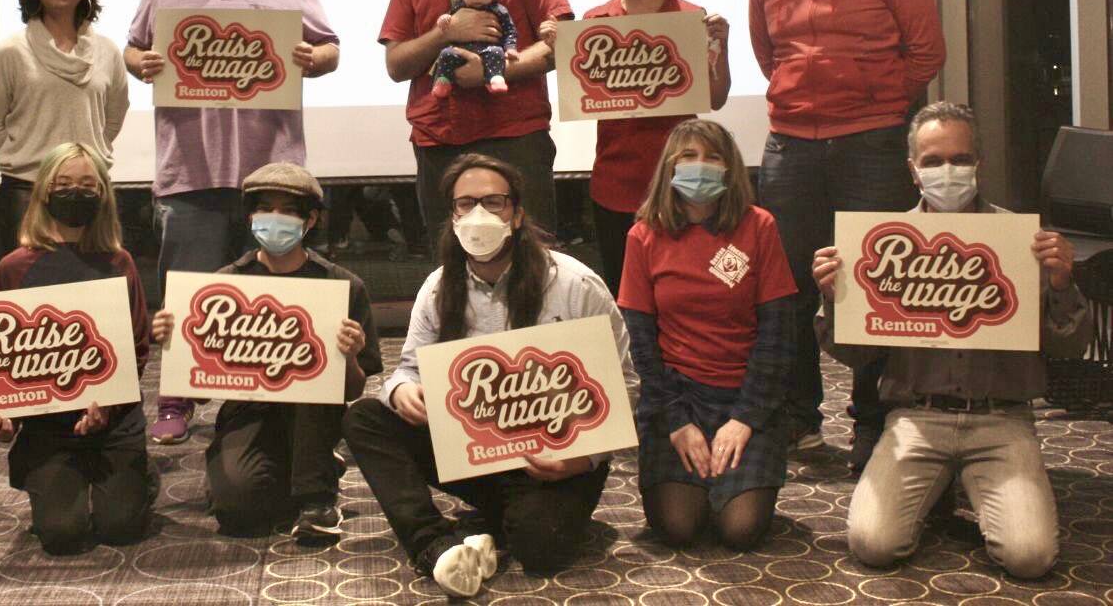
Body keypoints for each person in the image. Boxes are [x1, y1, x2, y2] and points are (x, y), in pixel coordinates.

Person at [813, 101, 1090, 579]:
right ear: (913, 170)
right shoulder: (881, 244)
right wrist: (837, 299)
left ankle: (962, 491)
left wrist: (1063, 284)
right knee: (873, 544)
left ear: (979, 163)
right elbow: (855, 354)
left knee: (1029, 557)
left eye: (960, 160)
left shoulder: (1021, 242)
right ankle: (940, 490)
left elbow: (1069, 347)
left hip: (1001, 418)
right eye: (933, 161)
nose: (948, 171)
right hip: (915, 417)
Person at [343, 155, 628, 599]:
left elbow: (625, 385)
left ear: (516, 214)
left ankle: (504, 522)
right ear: (453, 216)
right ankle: (434, 543)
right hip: (472, 453)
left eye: (493, 202)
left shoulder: (575, 285)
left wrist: (583, 460)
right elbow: (407, 368)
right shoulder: (439, 287)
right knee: (365, 417)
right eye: (466, 204)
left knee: (540, 549)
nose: (479, 214)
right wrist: (403, 392)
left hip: (555, 461)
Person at [748, 0, 945, 464]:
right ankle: (799, 419)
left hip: (871, 145)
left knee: (873, 283)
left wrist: (876, 101)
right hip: (790, 146)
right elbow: (767, 53)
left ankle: (872, 421)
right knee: (788, 287)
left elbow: (927, 50)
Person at [125, 0, 340, 445]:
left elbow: (331, 50)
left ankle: (287, 398)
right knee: (187, 292)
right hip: (188, 170)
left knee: (280, 294)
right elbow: (132, 49)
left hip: (273, 171)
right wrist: (142, 63)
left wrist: (312, 57)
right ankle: (176, 398)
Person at [150, 162, 381, 543]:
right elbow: (201, 392)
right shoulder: (224, 284)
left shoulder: (342, 285)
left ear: (310, 220)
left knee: (309, 381)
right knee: (238, 511)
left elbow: (352, 390)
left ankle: (317, 497)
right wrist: (176, 345)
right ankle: (308, 466)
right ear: (250, 216)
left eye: (288, 211)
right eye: (265, 208)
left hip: (314, 413)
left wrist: (351, 356)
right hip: (248, 409)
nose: (275, 218)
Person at [618, 119, 797, 550]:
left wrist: (746, 418)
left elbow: (778, 334)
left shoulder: (759, 226)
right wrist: (676, 421)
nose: (701, 166)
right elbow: (641, 346)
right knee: (678, 527)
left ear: (729, 168)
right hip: (676, 396)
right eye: (689, 157)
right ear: (670, 167)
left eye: (713, 157)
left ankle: (738, 475)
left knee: (740, 529)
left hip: (746, 395)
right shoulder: (643, 235)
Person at [380, 0, 572, 247]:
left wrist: (491, 71)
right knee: (451, 261)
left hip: (516, 135)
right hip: (439, 141)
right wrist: (445, 35)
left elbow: (563, 45)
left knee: (532, 258)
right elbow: (396, 66)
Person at [0, 143, 155, 554]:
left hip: (114, 422)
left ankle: (140, 476)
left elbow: (137, 348)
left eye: (86, 185)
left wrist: (107, 407)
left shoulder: (119, 262)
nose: (75, 193)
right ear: (44, 191)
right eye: (63, 184)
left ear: (103, 194)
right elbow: (2, 359)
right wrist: (6, 413)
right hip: (48, 429)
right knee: (62, 535)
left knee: (121, 527)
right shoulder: (14, 267)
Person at [552, 0, 731, 296]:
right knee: (625, 290)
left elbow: (715, 99)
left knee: (681, 288)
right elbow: (580, 94)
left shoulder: (690, 17)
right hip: (615, 182)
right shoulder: (595, 21)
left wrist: (722, 44)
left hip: (680, 181)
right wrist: (559, 45)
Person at [0, 0, 130, 254]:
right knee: (28, 282)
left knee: (93, 280)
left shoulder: (108, 52)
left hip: (89, 192)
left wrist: (83, 162)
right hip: (26, 189)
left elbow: (113, 119)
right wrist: (26, 152)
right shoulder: (11, 51)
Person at [430, 0, 518, 97]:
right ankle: (443, 81)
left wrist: (510, 48)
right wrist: (444, 19)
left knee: (497, 53)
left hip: (488, 49)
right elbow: (449, 21)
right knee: (446, 53)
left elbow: (510, 31)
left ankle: (495, 78)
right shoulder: (458, 7)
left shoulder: (499, 10)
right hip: (460, 50)